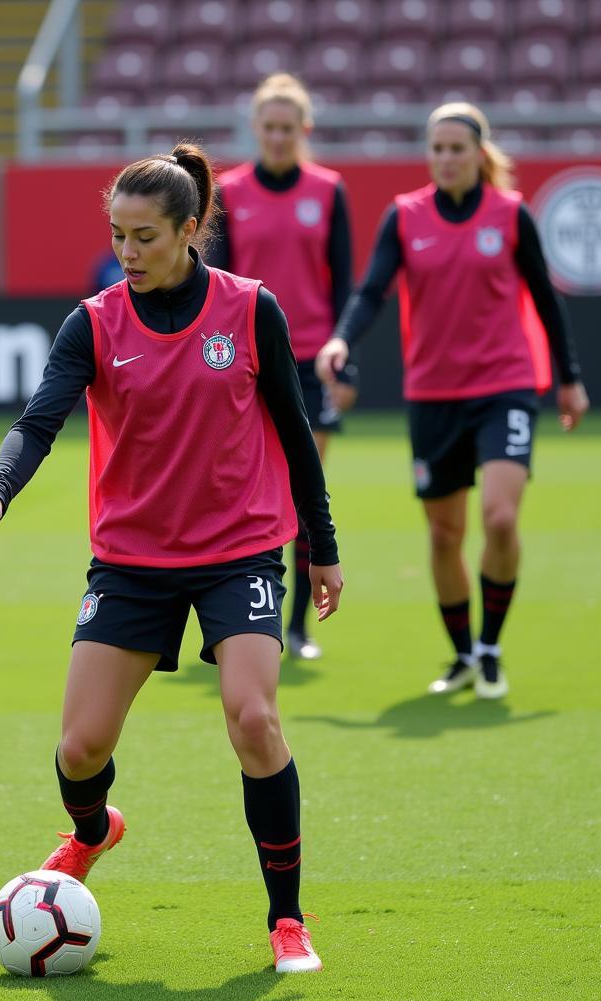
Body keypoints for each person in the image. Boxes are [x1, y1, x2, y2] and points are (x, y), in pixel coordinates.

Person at [0, 143, 344, 973]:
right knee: (80, 750)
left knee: (254, 718)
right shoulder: (94, 321)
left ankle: (287, 919)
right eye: (117, 235)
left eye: (142, 237)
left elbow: (294, 429)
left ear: (188, 230)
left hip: (238, 551)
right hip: (131, 561)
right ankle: (95, 830)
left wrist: (322, 545)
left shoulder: (250, 310)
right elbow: (38, 422)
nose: (126, 252)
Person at [316, 102, 588, 700]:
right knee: (444, 535)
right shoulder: (405, 217)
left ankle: (491, 647)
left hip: (506, 385)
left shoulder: (511, 215)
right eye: (436, 148)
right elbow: (371, 290)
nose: (445, 158)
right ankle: (463, 654)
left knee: (499, 516)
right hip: (433, 392)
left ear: (479, 154)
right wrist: (341, 337)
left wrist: (568, 378)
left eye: (456, 148)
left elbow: (546, 300)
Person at [210, 72, 355, 661]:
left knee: (303, 489)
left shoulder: (328, 189)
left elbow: (344, 281)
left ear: (304, 129)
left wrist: (346, 363)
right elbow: (218, 282)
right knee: (243, 491)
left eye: (286, 128)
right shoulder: (231, 190)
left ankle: (295, 627)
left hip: (311, 356)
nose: (276, 136)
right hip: (248, 358)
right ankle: (243, 615)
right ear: (255, 128)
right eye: (267, 127)